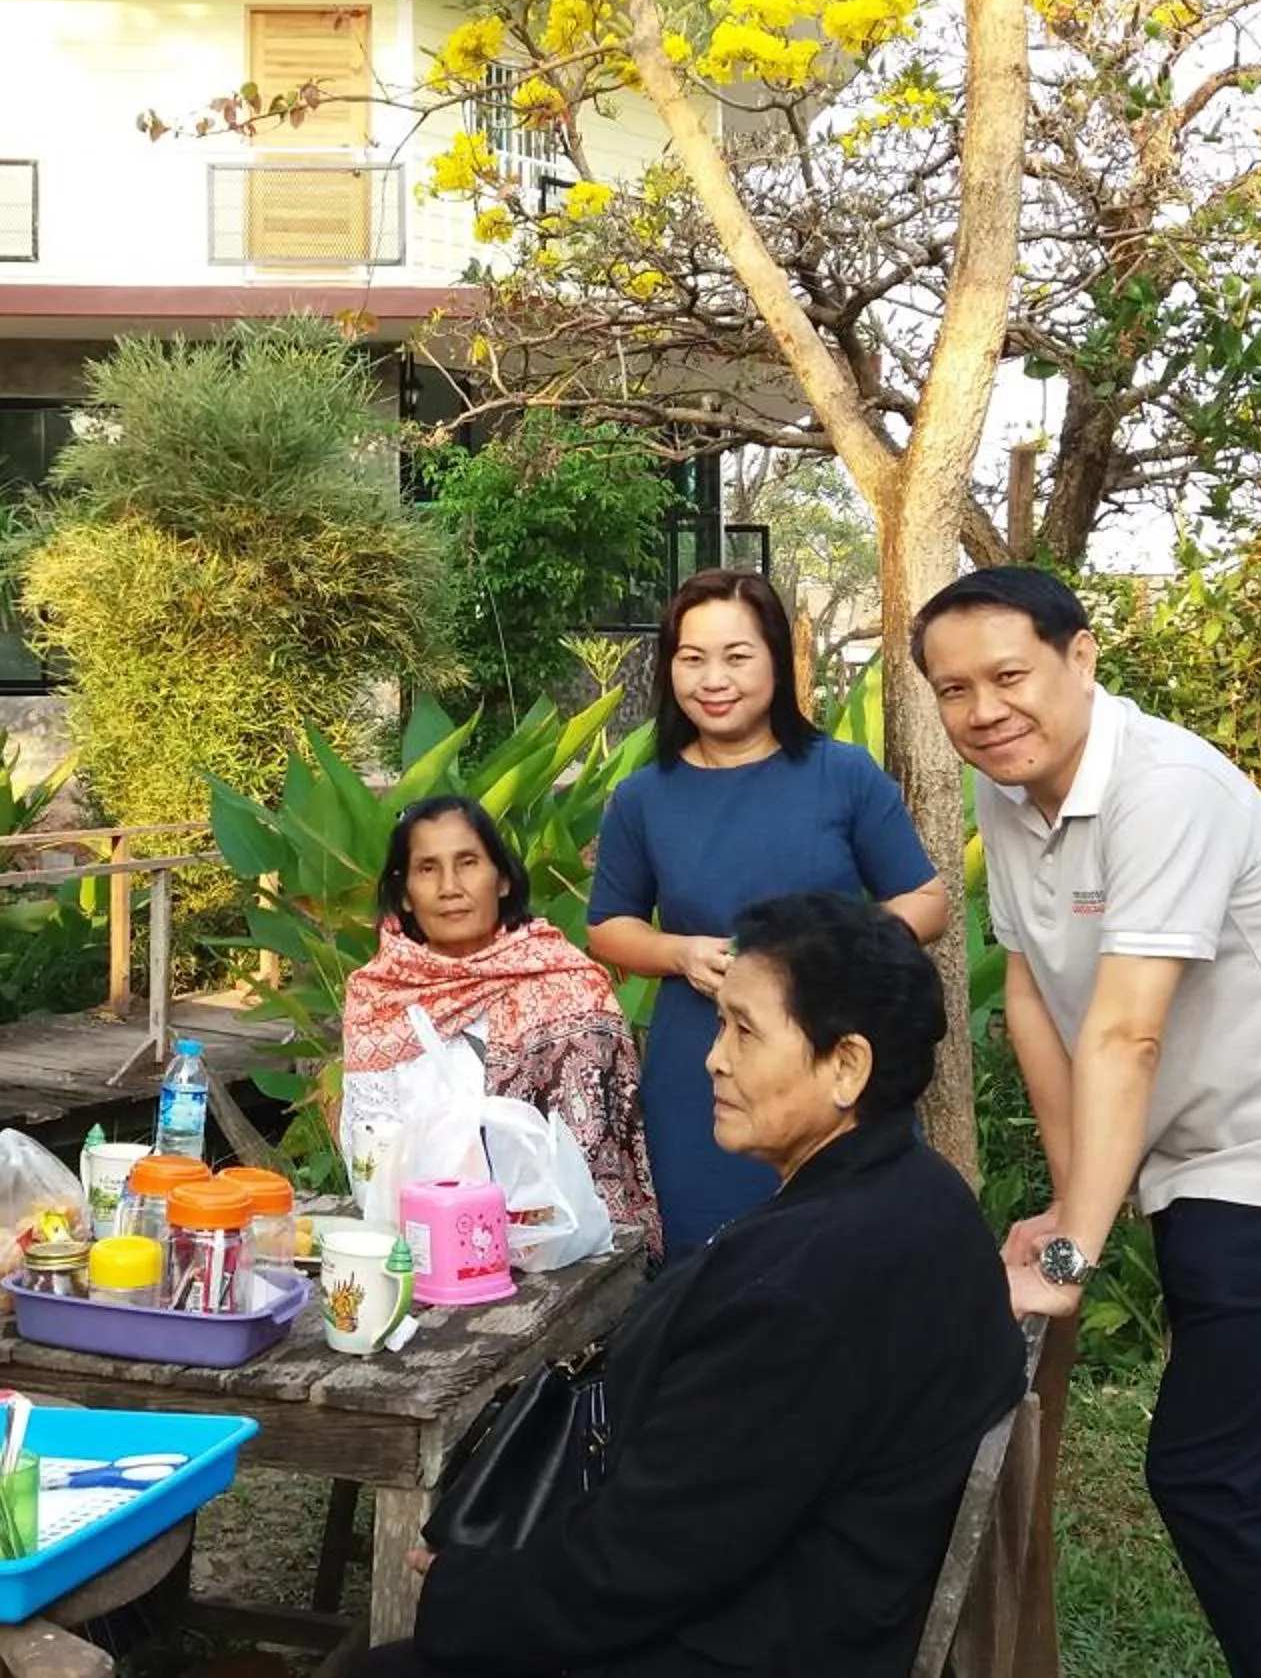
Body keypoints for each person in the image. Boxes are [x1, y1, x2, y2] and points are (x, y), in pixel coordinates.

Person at [913, 565, 1261, 1678]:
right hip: (1192, 1152)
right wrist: (1071, 1197)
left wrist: (1077, 1252)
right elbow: (1037, 993)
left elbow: (1126, 1034)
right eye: (954, 692)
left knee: (1210, 1473)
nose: (984, 712)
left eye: (1008, 676)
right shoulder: (1010, 782)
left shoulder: (1167, 787)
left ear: (1081, 658)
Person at [350, 891, 1025, 1678]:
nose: (715, 1057)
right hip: (805, 1595)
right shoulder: (918, 1192)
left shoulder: (805, 1289)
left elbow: (649, 1564)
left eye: (746, 1030)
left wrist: (470, 1593)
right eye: (720, 1024)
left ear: (846, 1065)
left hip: (758, 1642)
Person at [588, 570, 945, 1252]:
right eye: (692, 659)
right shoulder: (643, 798)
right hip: (702, 1063)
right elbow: (609, 926)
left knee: (848, 1249)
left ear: (777, 660)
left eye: (737, 656)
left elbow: (926, 900)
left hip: (829, 1061)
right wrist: (678, 953)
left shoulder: (842, 775)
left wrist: (834, 955)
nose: (713, 679)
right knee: (711, 1262)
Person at [340, 795, 661, 1255]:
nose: (450, 886)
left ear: (503, 879)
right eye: (428, 869)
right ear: (406, 894)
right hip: (422, 1250)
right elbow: (370, 1155)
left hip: (566, 1258)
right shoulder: (379, 1000)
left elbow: (605, 1153)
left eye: (468, 862)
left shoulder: (569, 986)